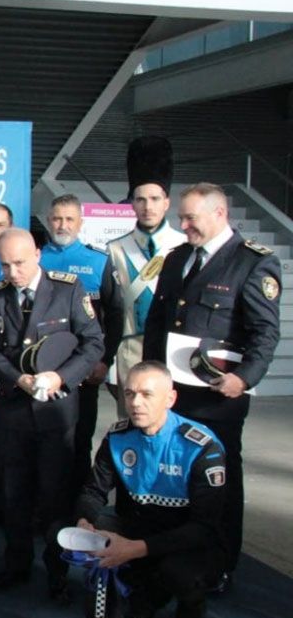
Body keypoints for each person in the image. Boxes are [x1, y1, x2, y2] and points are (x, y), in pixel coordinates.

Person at [142, 182, 281, 586]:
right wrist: (152, 375)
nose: (183, 226)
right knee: (173, 476)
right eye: (181, 218)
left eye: (190, 218)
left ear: (220, 214)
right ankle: (172, 553)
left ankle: (219, 563)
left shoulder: (253, 262)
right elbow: (158, 322)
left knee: (217, 483)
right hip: (174, 394)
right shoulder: (177, 258)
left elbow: (264, 334)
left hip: (218, 397)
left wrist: (245, 378)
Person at [0, 228, 104, 601]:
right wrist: (18, 379)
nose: (11, 272)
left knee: (55, 496)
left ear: (37, 256)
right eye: (4, 265)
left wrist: (61, 376)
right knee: (14, 494)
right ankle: (16, 565)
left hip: (57, 412)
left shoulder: (68, 289)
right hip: (14, 409)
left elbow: (93, 342)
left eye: (19, 263)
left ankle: (57, 571)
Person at [75, 362, 227, 618]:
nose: (136, 403)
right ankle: (142, 598)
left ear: (170, 398)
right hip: (140, 525)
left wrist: (134, 549)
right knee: (78, 535)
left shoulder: (201, 447)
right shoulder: (118, 436)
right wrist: (85, 521)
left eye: (147, 394)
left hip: (188, 538)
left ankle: (191, 610)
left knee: (179, 574)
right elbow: (93, 491)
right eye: (130, 393)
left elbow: (204, 528)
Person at [40, 194, 122, 492]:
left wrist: (104, 360)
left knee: (80, 436)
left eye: (69, 219)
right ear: (49, 221)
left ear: (81, 222)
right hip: (41, 368)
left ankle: (76, 504)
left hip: (84, 369)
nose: (62, 224)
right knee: (42, 438)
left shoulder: (98, 261)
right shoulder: (35, 258)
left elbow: (115, 315)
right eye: (57, 218)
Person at [105, 136, 184, 417]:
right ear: (132, 203)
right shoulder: (114, 249)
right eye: (140, 199)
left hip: (174, 348)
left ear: (166, 202)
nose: (147, 206)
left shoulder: (184, 246)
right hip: (129, 351)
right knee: (131, 421)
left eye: (154, 199)